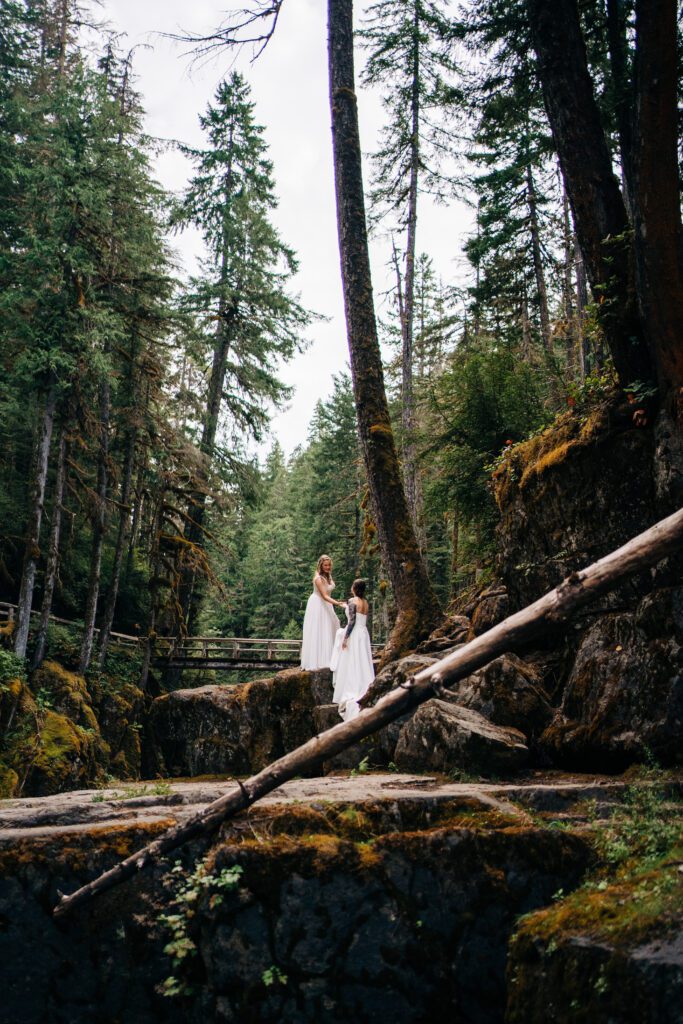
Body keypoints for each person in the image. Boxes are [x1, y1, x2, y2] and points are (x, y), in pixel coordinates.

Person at [330, 578, 375, 722]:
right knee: (362, 659)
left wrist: (346, 637)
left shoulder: (352, 601)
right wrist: (345, 606)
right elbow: (359, 616)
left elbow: (352, 621)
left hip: (355, 633)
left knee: (351, 659)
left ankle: (351, 685)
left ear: (354, 588)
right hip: (363, 633)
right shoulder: (365, 602)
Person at [300, 555, 346, 670]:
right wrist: (338, 603)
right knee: (321, 629)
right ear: (321, 565)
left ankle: (332, 656)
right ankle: (320, 659)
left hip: (326, 604)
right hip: (318, 604)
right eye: (325, 565)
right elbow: (324, 596)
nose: (328, 567)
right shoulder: (318, 578)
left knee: (332, 624)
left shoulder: (328, 575)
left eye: (329, 565)